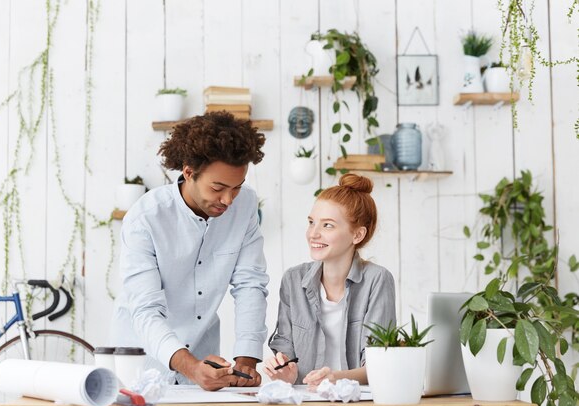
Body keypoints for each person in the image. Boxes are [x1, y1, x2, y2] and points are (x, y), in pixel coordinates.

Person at [111, 112, 269, 390]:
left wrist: (246, 361)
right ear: (188, 172)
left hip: (205, 362)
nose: (228, 200)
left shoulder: (245, 207)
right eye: (218, 188)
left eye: (237, 187)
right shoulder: (145, 218)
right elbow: (146, 309)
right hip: (143, 364)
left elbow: (250, 284)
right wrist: (190, 367)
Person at [265, 173, 396, 386]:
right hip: (305, 403)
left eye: (327, 225)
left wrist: (335, 378)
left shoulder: (377, 280)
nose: (313, 234)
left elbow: (380, 363)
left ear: (357, 235)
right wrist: (285, 371)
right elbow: (285, 348)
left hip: (357, 402)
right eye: (311, 222)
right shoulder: (293, 280)